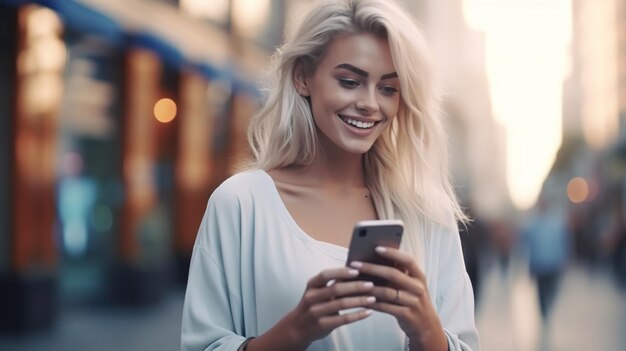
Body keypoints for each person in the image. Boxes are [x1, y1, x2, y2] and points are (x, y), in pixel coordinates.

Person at [181, 0, 479, 350]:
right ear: (303, 77)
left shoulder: (428, 214)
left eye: (388, 88)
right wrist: (294, 331)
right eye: (350, 81)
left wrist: (427, 330)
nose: (370, 103)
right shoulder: (241, 203)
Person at [521, 196, 570, 324]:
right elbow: (528, 245)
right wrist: (530, 264)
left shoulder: (556, 223)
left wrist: (564, 260)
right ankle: (544, 312)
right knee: (541, 291)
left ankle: (548, 306)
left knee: (552, 289)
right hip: (539, 265)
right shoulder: (533, 224)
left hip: (553, 264)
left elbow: (563, 243)